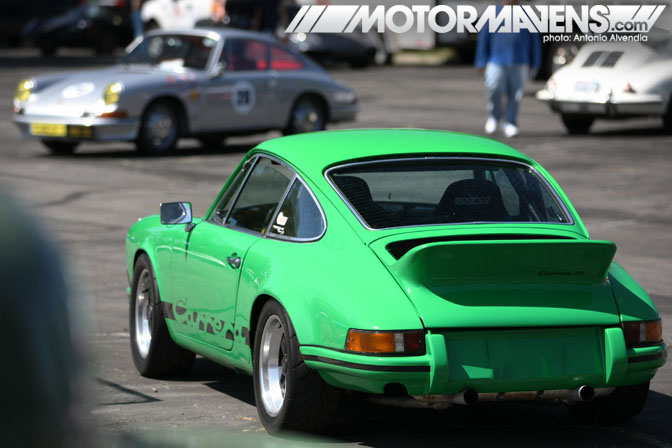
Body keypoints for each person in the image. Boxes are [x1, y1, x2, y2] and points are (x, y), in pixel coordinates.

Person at [474, 0, 541, 138]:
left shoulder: (526, 14)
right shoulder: (493, 13)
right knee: (494, 88)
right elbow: (484, 37)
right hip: (496, 61)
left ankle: (510, 122)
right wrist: (481, 60)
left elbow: (534, 39)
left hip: (519, 61)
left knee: (515, 95)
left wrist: (536, 61)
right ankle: (494, 116)